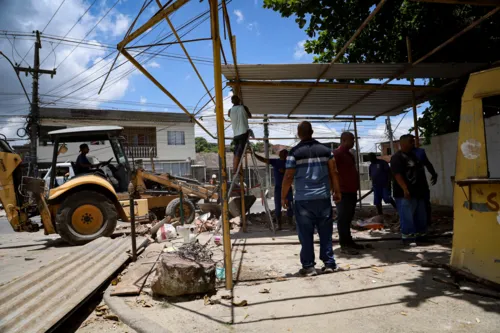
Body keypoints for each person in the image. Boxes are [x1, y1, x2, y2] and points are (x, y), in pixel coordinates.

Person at [281, 121, 342, 276]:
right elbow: (334, 171)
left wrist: (283, 196)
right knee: (325, 233)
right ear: (312, 132)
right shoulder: (326, 151)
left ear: (298, 133)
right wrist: (337, 191)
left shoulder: (293, 153)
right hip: (323, 198)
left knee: (306, 234)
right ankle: (329, 263)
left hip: (303, 200)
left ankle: (309, 267)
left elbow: (288, 176)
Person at [390, 134, 429, 246]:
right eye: (411, 141)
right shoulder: (397, 158)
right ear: (402, 144)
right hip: (405, 193)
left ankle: (420, 236)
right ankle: (408, 238)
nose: (413, 143)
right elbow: (397, 175)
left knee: (420, 216)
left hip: (418, 192)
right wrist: (405, 189)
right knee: (407, 216)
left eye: (413, 141)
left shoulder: (414, 155)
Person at [333, 132, 365, 255]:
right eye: (351, 140)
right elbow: (332, 172)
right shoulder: (337, 154)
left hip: (351, 191)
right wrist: (335, 190)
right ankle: (344, 244)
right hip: (342, 192)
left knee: (348, 217)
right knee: (343, 219)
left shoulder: (350, 154)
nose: (353, 142)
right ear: (344, 140)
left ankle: (349, 242)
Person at [254, 149, 294, 230]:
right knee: (278, 205)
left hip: (287, 187)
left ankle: (290, 223)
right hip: (278, 188)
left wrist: (285, 171)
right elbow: (264, 159)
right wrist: (255, 155)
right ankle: (279, 225)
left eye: (284, 153)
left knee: (290, 204)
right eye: (281, 153)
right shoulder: (275, 161)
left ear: (286, 155)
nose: (281, 154)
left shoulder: (289, 163)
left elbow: (293, 172)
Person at [410, 136, 438, 225]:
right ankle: (418, 222)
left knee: (425, 202)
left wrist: (434, 174)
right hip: (410, 184)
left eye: (412, 141)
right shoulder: (401, 154)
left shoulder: (420, 152)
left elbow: (427, 164)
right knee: (415, 204)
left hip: (421, 182)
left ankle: (427, 221)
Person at [228, 95, 252, 173]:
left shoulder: (230, 111)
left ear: (232, 102)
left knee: (236, 151)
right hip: (243, 132)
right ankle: (235, 169)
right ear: (239, 100)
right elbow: (250, 116)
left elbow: (229, 115)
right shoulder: (243, 108)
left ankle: (235, 168)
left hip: (236, 135)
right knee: (239, 152)